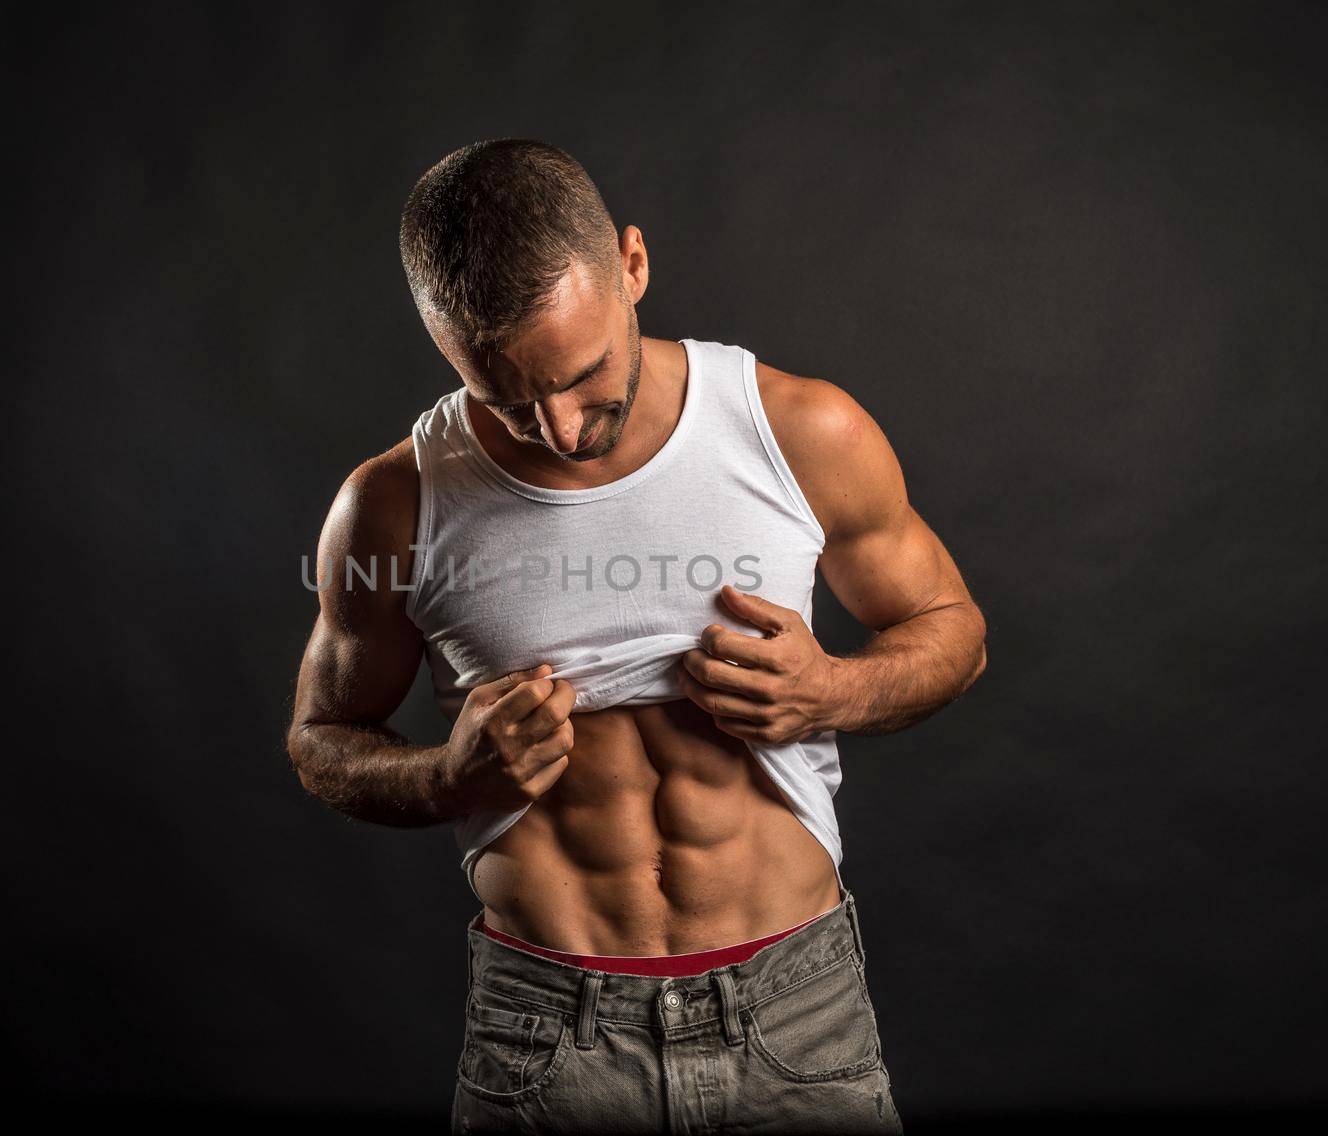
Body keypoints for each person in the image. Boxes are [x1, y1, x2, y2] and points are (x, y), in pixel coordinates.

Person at [286, 138, 987, 1134]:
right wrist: (446, 776)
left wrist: (827, 691)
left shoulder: (794, 429)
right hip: (546, 1032)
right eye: (507, 398)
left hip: (794, 1009)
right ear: (444, 348)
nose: (560, 428)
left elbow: (953, 630)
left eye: (581, 376)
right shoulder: (394, 502)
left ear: (633, 266)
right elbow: (320, 737)